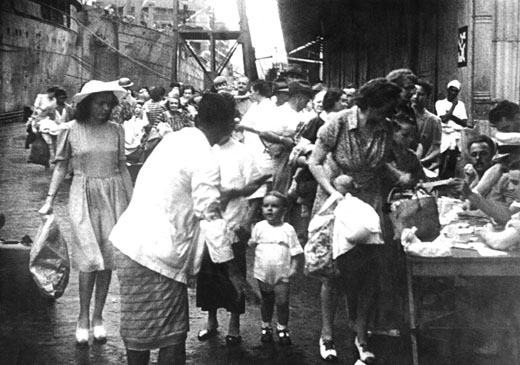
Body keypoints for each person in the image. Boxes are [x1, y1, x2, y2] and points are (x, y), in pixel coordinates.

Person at [109, 93, 246, 365]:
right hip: (158, 256)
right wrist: (233, 272)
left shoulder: (176, 139)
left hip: (130, 245)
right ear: (226, 124)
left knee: (139, 330)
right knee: (172, 336)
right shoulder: (206, 158)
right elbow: (209, 215)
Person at [308, 77, 403, 363]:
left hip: (368, 205)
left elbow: (382, 163)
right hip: (336, 203)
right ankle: (327, 335)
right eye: (388, 106)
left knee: (366, 275)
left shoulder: (384, 128)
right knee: (333, 273)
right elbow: (314, 161)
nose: (391, 112)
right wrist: (334, 189)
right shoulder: (338, 122)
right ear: (372, 103)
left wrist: (399, 176)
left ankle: (361, 335)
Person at [38, 80, 133, 345]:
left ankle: (98, 318)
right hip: (83, 192)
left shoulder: (117, 130)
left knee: (106, 257)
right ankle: (82, 317)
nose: (105, 109)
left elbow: (122, 167)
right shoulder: (71, 129)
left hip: (113, 193)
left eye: (108, 104)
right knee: (89, 258)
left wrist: (133, 202)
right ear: (87, 104)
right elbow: (60, 167)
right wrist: (49, 200)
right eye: (99, 103)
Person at [196, 128, 269, 347]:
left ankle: (234, 324)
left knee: (234, 277)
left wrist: (247, 220)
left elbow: (257, 191)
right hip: (208, 225)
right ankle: (211, 321)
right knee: (208, 276)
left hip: (233, 224)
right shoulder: (204, 149)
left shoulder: (243, 152)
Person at [248, 191, 303, 346]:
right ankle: (266, 326)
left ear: (284, 210)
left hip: (282, 272)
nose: (269, 209)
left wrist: (294, 268)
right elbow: (253, 242)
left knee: (282, 302)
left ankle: (282, 327)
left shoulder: (288, 229)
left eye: (274, 206)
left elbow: (296, 251)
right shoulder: (259, 227)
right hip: (263, 271)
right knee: (266, 300)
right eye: (266, 206)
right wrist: (251, 241)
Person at [435, 80, 469, 179]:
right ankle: (440, 179)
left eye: (456, 91)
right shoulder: (440, 103)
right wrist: (453, 107)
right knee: (442, 158)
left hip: (455, 134)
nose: (453, 93)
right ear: (447, 90)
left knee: (453, 160)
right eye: (451, 90)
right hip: (444, 134)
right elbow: (444, 119)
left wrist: (450, 115)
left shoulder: (461, 104)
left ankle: (449, 180)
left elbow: (464, 123)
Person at [411, 80, 442, 175]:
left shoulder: (434, 121)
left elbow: (436, 149)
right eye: (413, 94)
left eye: (420, 94)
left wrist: (421, 162)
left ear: (427, 97)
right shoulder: (401, 117)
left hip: (424, 166)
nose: (415, 97)